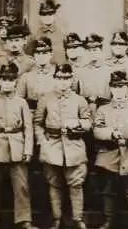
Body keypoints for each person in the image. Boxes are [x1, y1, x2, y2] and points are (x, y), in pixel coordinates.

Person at [34, 64, 91, 229]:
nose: (63, 82)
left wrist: (78, 122)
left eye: (67, 78)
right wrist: (42, 141)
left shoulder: (79, 100)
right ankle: (57, 218)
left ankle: (78, 218)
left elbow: (89, 123)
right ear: (54, 79)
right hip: (52, 145)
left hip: (74, 146)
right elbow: (38, 123)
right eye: (59, 78)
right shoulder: (45, 99)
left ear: (72, 79)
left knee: (76, 182)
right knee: (54, 183)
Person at [0, 62, 34, 229]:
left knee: (22, 186)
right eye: (4, 79)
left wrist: (28, 150)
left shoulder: (21, 102)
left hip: (17, 145)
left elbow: (28, 128)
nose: (8, 83)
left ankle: (24, 219)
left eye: (11, 80)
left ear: (15, 82)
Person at [93, 71, 128, 229]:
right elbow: (97, 129)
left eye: (122, 88)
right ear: (110, 89)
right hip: (109, 156)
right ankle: (108, 220)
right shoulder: (103, 109)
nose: (119, 91)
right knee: (109, 190)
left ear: (126, 89)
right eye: (115, 88)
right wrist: (110, 133)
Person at [16, 37, 56, 111]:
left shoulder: (58, 75)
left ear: (51, 54)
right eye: (38, 54)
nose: (41, 57)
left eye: (45, 53)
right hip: (32, 113)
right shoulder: (26, 77)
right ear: (34, 56)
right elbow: (18, 101)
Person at [73, 33, 111, 108]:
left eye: (95, 50)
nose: (92, 53)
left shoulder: (109, 70)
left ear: (101, 50)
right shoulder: (80, 71)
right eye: (89, 50)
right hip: (86, 108)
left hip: (105, 107)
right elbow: (76, 94)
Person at [26, 0, 66, 65]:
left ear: (55, 15)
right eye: (44, 15)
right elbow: (29, 55)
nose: (47, 17)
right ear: (40, 16)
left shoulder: (63, 34)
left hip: (60, 69)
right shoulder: (34, 35)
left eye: (50, 14)